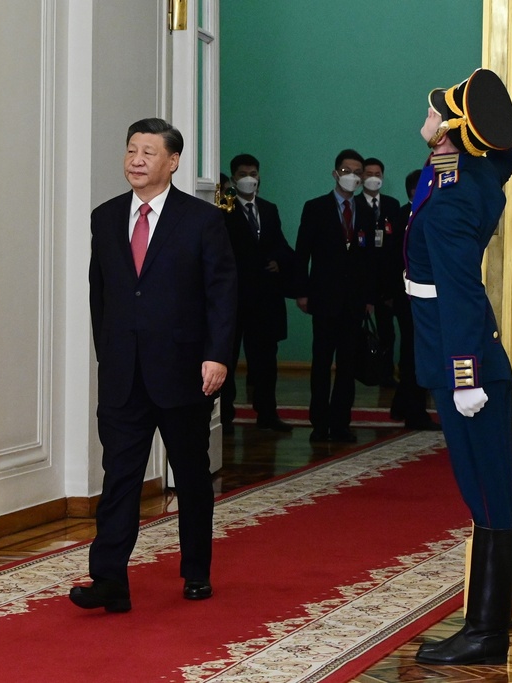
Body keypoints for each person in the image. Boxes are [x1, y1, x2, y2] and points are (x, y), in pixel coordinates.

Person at [72, 118, 237, 612]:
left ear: (173, 161)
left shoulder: (202, 220)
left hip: (185, 370)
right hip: (123, 373)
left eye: (148, 152)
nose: (136, 160)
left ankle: (196, 571)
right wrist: (109, 351)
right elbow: (100, 292)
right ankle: (109, 580)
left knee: (190, 475)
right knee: (119, 476)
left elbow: (223, 294)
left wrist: (217, 356)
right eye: (131, 151)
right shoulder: (105, 217)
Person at [404, 68, 512, 665]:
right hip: (462, 354)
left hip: (465, 365)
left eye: (435, 112)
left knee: (487, 497)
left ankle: (486, 633)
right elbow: (501, 152)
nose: (425, 116)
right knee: (486, 494)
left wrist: (465, 376)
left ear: (448, 132)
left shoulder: (451, 205)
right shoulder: (472, 172)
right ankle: (483, 626)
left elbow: (461, 294)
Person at [295, 148, 374, 443]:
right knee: (321, 362)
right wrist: (301, 292)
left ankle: (341, 422)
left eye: (357, 172)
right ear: (335, 173)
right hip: (324, 298)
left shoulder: (366, 211)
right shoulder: (315, 207)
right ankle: (319, 422)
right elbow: (302, 254)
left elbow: (368, 261)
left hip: (354, 302)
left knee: (348, 364)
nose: (351, 176)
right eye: (346, 171)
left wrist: (368, 297)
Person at [219, 154, 296, 434]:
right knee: (226, 358)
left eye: (253, 173)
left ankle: (267, 413)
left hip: (265, 299)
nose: (248, 178)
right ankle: (224, 415)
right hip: (234, 298)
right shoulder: (223, 210)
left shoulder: (269, 208)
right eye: (242, 174)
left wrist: (279, 260)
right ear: (233, 177)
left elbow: (281, 245)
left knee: (265, 361)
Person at [389, 169, 439, 430]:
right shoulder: (406, 216)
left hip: (415, 295)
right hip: (410, 295)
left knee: (412, 352)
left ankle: (402, 405)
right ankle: (414, 411)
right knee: (414, 354)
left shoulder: (417, 214)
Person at [355, 157, 402, 388]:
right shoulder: (353, 204)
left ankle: (385, 375)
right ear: (361, 177)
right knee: (357, 333)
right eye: (369, 173)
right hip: (361, 281)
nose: (373, 178)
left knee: (386, 333)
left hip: (387, 283)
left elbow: (396, 247)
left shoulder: (392, 205)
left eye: (377, 174)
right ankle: (359, 372)